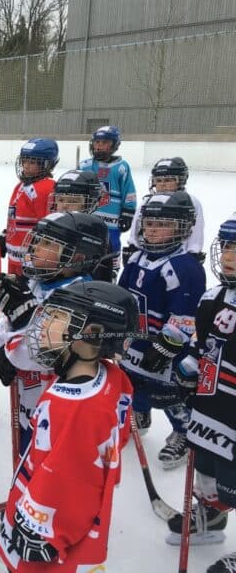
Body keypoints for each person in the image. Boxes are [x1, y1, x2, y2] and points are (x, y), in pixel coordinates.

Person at [0, 281, 136, 573]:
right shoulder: (110, 377)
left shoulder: (74, 408)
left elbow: (68, 481)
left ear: (93, 335)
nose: (43, 322)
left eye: (57, 317)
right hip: (69, 519)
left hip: (50, 536)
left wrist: (42, 531)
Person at [0, 212, 111, 454]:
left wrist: (21, 327)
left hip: (60, 414)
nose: (35, 247)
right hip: (31, 399)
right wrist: (1, 351)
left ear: (77, 257)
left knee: (47, 477)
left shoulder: (82, 299)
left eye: (47, 243)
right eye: (37, 240)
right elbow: (4, 322)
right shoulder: (35, 283)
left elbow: (38, 352)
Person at [165, 214, 236, 569]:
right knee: (209, 470)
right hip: (211, 408)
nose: (228, 256)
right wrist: (183, 374)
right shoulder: (213, 297)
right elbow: (200, 344)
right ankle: (213, 514)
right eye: (227, 246)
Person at [118, 191, 205, 469]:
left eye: (163, 224)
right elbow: (122, 297)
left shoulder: (185, 267)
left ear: (182, 228)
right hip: (137, 341)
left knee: (168, 392)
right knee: (134, 383)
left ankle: (183, 431)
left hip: (165, 349)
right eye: (150, 223)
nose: (153, 230)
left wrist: (165, 347)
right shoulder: (135, 259)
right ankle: (140, 415)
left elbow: (185, 317)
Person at [125, 156, 205, 264]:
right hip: (150, 256)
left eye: (168, 180)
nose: (162, 184)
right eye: (158, 180)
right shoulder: (148, 202)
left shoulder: (190, 202)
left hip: (178, 257)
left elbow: (196, 231)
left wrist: (194, 252)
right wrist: (133, 246)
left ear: (181, 180)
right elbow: (137, 226)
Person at [79, 125, 137, 275]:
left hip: (112, 222)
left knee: (112, 246)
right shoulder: (85, 166)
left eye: (104, 143)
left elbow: (128, 191)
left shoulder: (121, 167)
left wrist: (128, 212)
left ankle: (112, 272)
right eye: (97, 142)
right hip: (88, 219)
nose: (99, 146)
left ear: (114, 145)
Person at [2, 138, 59, 276]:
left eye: (32, 162)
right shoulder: (21, 185)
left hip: (31, 259)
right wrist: (5, 236)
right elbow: (14, 217)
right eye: (24, 161)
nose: (26, 166)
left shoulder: (46, 188)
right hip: (14, 257)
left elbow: (47, 227)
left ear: (47, 164)